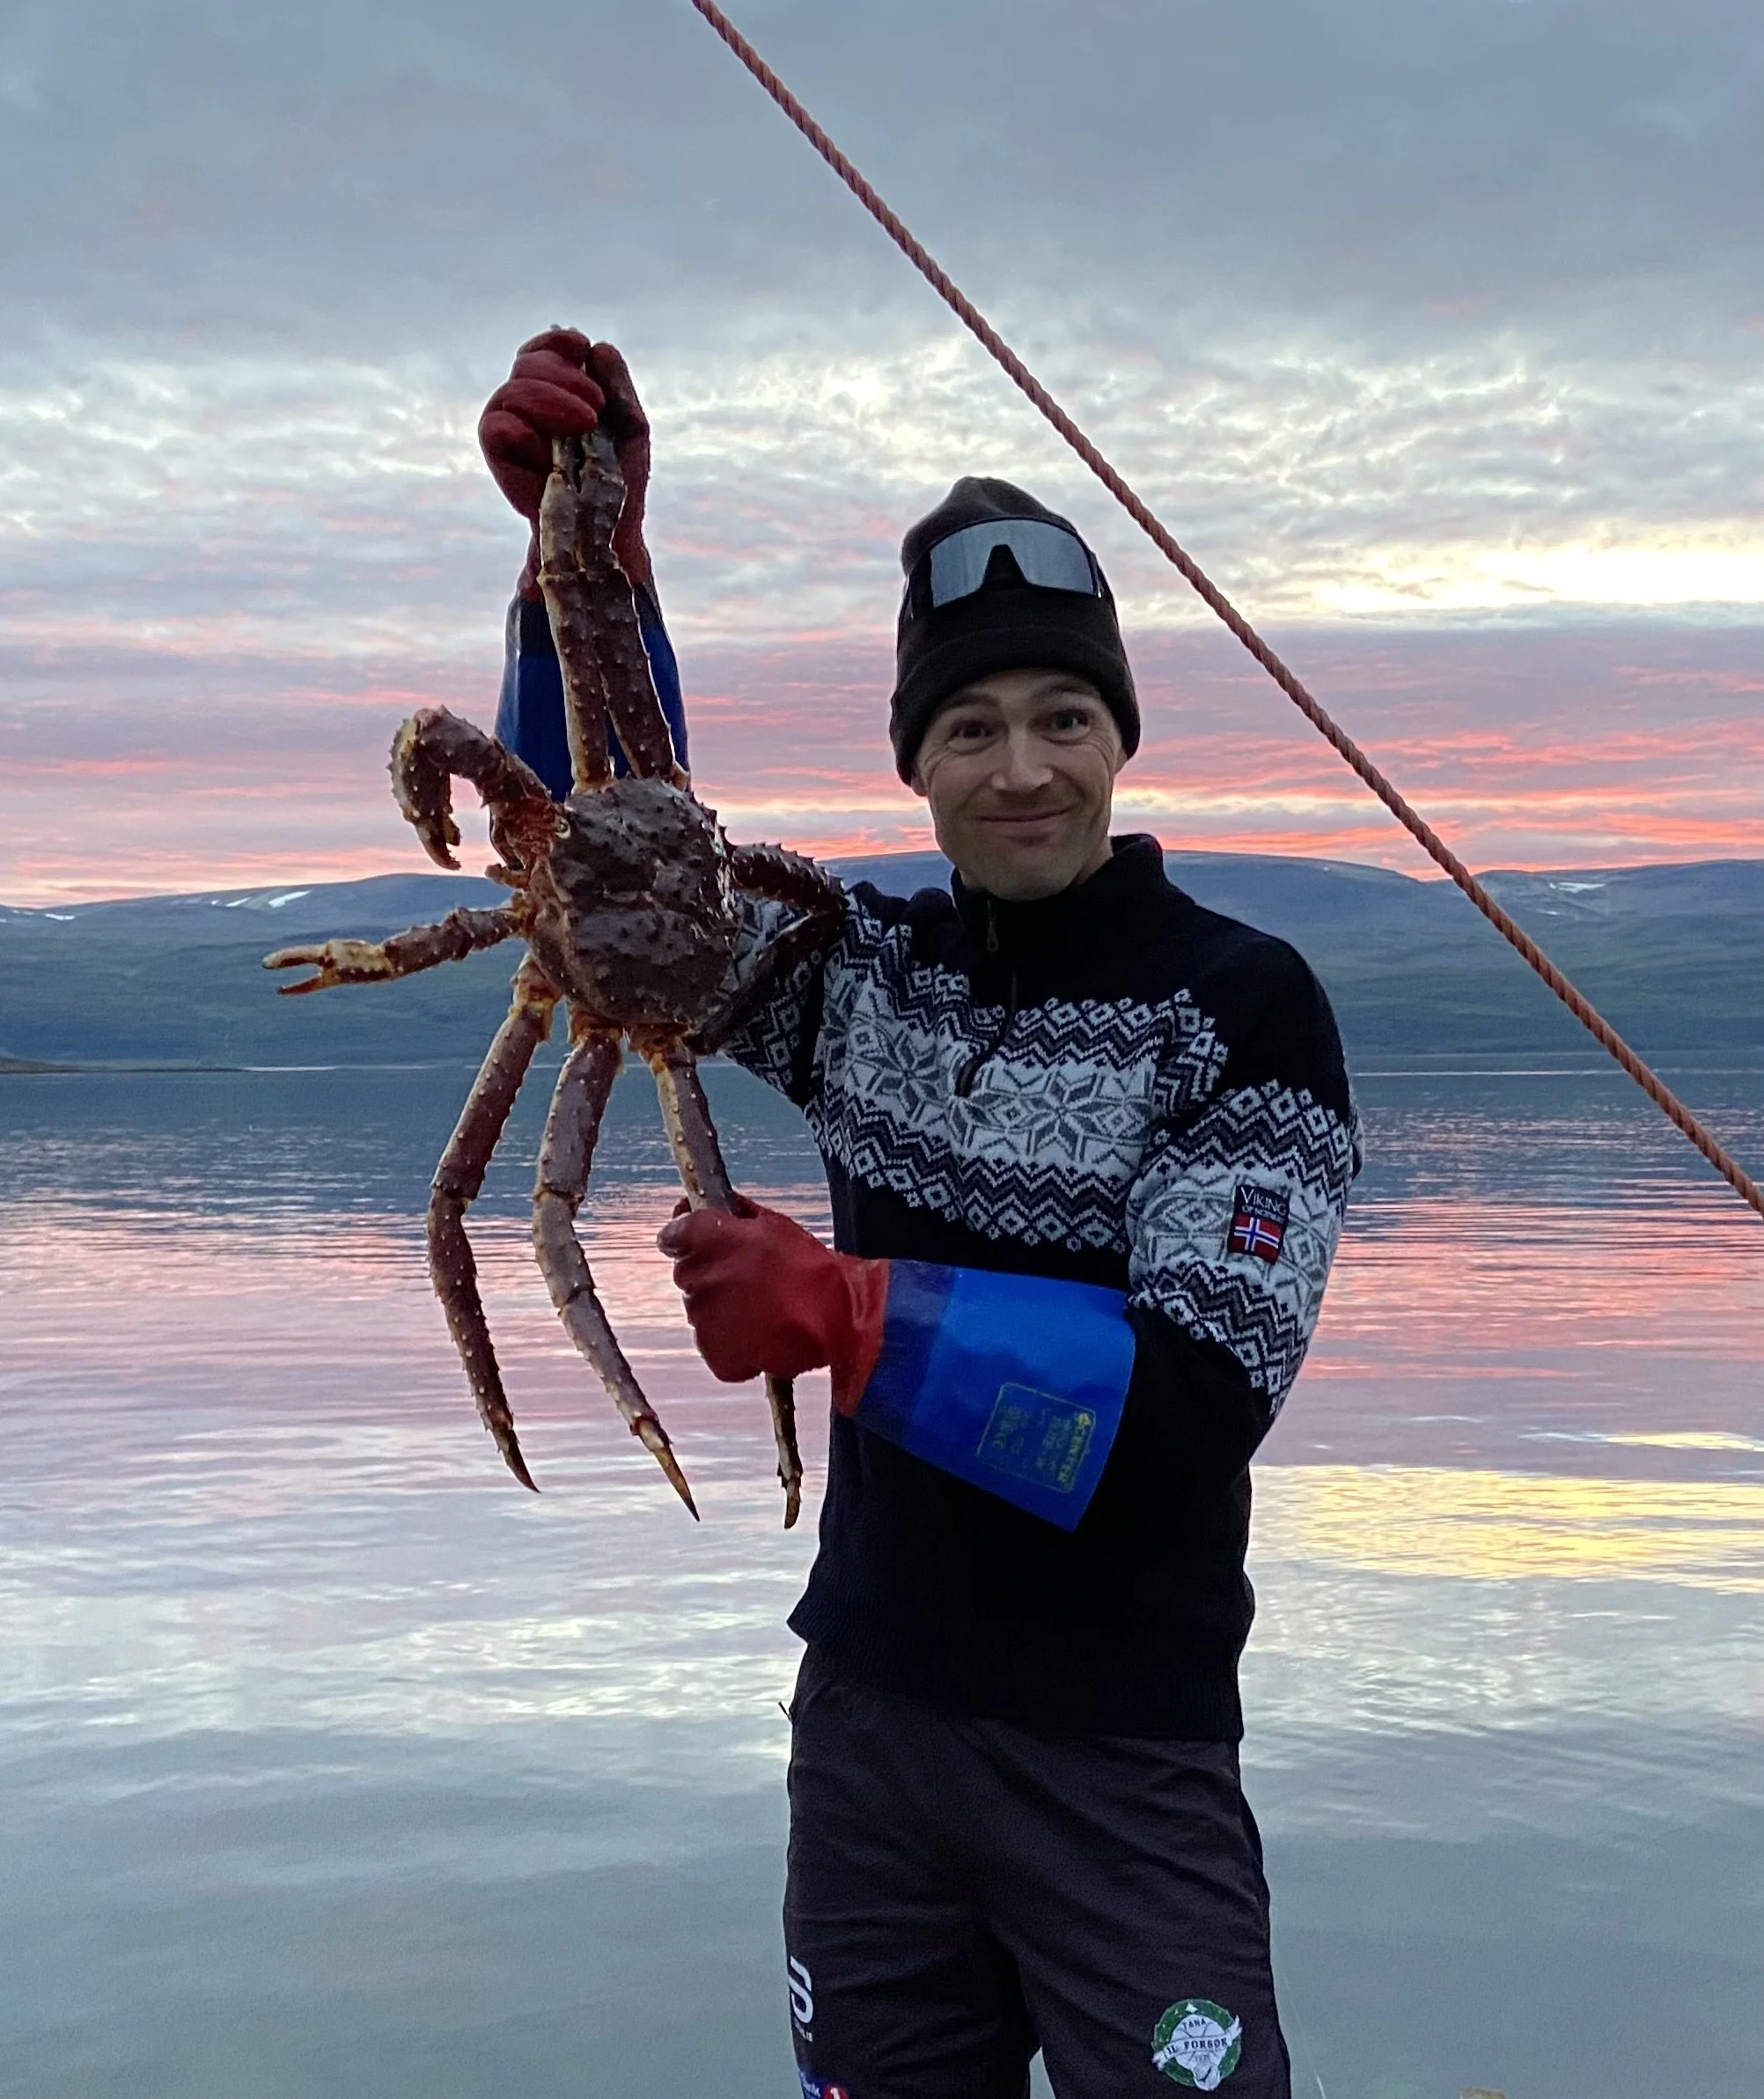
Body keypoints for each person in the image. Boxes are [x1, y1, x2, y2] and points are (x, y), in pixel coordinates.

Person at [479, 329, 1361, 2099]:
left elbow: (1192, 1407)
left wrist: (851, 1319)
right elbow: (600, 879)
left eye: (1061, 718)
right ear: (917, 763)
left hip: (1125, 1754)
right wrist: (582, 568)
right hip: (874, 1728)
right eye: (970, 726)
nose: (1020, 767)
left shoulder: (1244, 1010)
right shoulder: (856, 969)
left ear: (1119, 737)